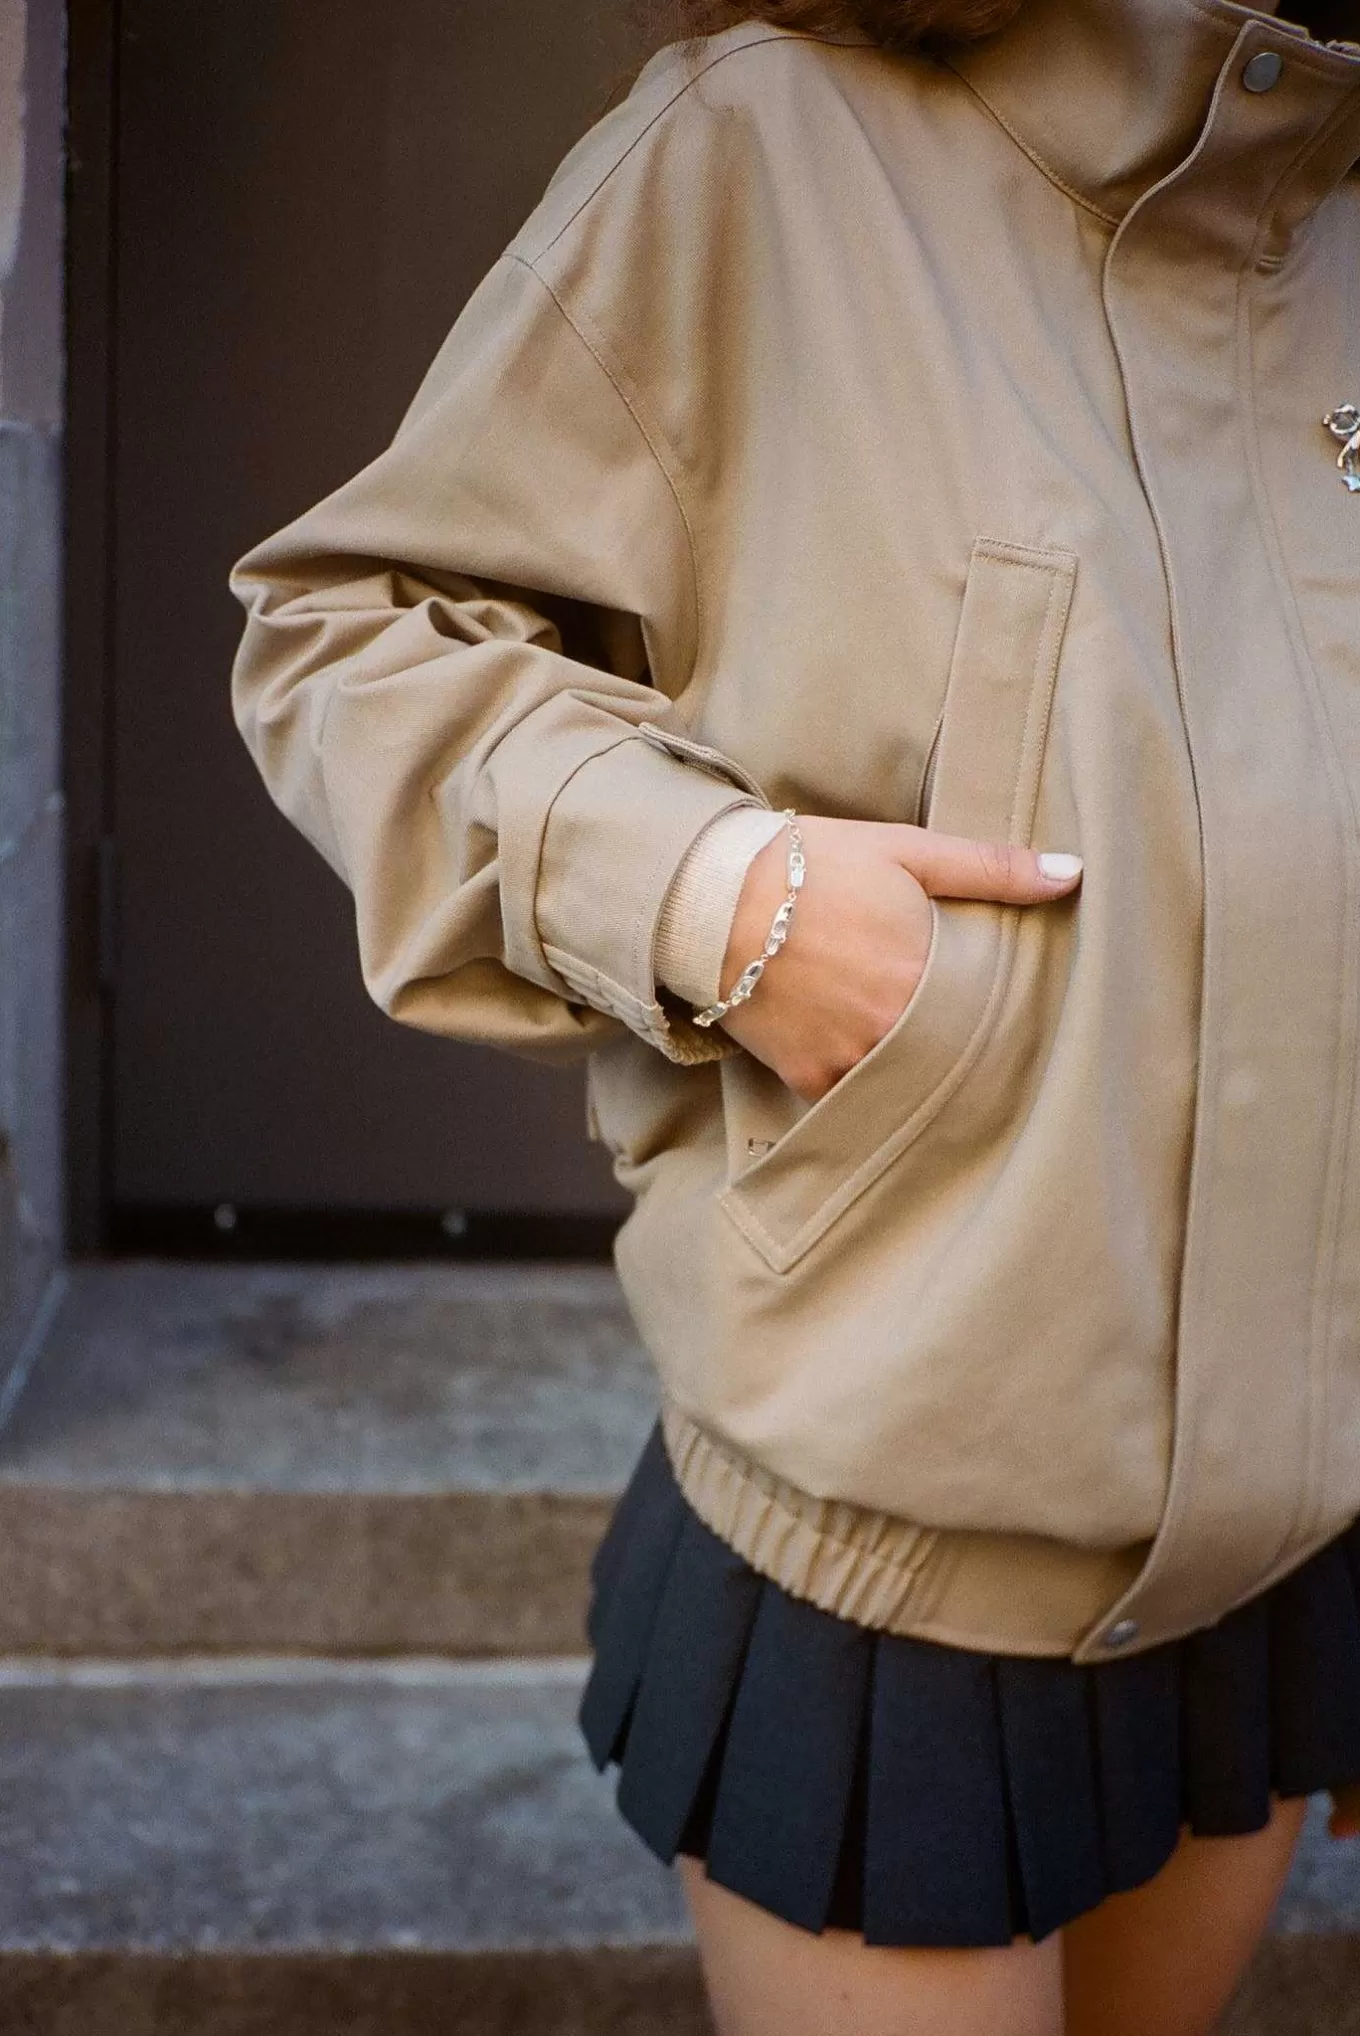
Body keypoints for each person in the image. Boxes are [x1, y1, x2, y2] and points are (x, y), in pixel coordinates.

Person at [228, 1, 1360, 2028]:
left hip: (1289, 1544)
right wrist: (715, 892)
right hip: (895, 1544)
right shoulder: (766, 145)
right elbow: (347, 635)